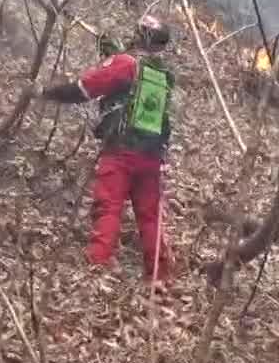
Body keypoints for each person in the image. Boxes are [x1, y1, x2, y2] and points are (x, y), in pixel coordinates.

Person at [40, 15, 177, 284]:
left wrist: (45, 93)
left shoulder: (126, 64)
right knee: (150, 217)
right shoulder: (164, 75)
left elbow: (84, 88)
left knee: (108, 207)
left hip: (121, 151)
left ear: (140, 35)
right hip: (151, 156)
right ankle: (160, 277)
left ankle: (97, 267)